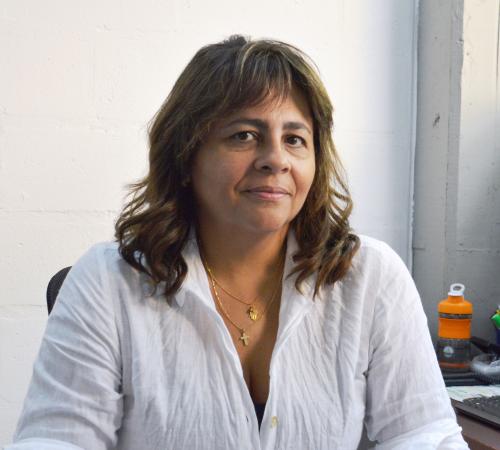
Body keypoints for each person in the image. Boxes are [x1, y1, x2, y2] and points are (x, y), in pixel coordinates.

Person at [7, 35, 468, 449]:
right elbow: (56, 438)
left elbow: (424, 434)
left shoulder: (371, 276)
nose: (275, 159)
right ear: (185, 157)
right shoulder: (107, 282)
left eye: (295, 139)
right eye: (244, 135)